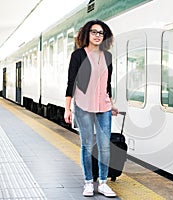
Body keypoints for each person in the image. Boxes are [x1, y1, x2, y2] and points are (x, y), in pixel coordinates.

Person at [64, 19, 118, 197]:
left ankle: (102, 183)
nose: (97, 36)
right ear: (86, 34)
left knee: (105, 146)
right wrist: (67, 108)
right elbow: (71, 83)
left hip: (104, 106)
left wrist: (112, 104)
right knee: (87, 146)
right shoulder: (78, 55)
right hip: (83, 106)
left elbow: (107, 84)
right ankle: (88, 182)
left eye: (101, 33)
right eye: (94, 32)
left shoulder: (108, 57)